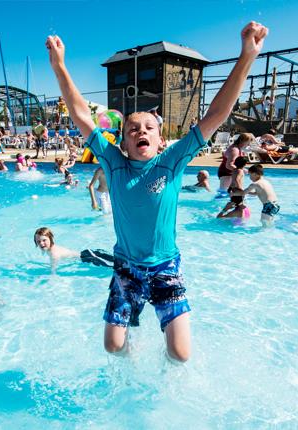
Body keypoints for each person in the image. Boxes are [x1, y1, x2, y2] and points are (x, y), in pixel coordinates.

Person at [46, 21, 268, 362]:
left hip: (165, 267)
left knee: (180, 354)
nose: (141, 132)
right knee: (113, 346)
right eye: (133, 129)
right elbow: (80, 115)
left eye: (149, 127)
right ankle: (133, 362)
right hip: (126, 268)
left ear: (160, 140)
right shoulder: (114, 163)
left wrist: (247, 57)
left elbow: (216, 114)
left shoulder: (171, 162)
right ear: (123, 142)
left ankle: (168, 376)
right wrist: (60, 66)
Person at [34, 227, 114, 272]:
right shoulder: (50, 248)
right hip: (88, 254)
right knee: (117, 261)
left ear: (50, 239)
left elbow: (53, 270)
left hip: (89, 257)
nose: (41, 243)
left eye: (44, 240)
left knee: (115, 266)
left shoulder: (53, 253)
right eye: (38, 241)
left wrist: (52, 276)